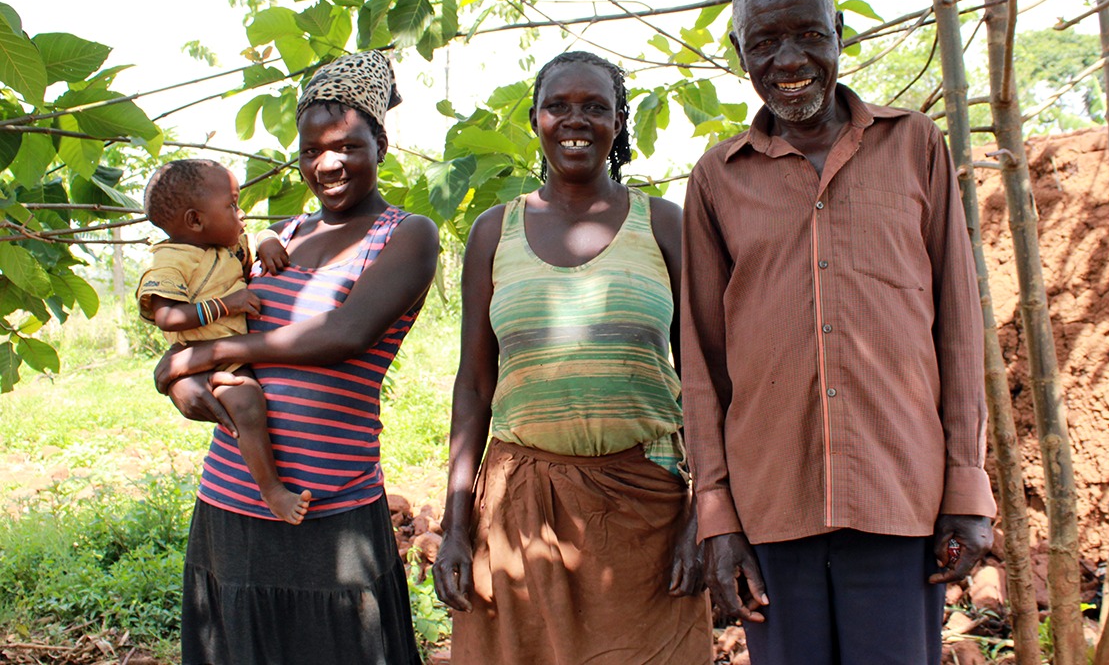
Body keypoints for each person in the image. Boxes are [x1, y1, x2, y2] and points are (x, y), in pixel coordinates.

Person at [681, 0, 997, 665]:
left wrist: (967, 485)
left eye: (807, 35)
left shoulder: (915, 145)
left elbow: (957, 329)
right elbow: (702, 364)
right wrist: (716, 514)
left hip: (899, 495)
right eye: (764, 42)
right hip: (772, 505)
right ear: (739, 55)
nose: (788, 61)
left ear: (839, 36)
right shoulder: (716, 179)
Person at [153, 50, 439, 665]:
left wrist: (216, 352)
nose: (326, 164)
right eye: (310, 150)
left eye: (346, 146)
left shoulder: (406, 234)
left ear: (380, 146)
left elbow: (347, 333)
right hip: (232, 494)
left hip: (330, 503)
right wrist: (175, 379)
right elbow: (207, 318)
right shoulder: (280, 236)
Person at [432, 51, 712, 664]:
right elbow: (475, 386)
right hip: (521, 512)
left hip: (646, 515)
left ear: (619, 122)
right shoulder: (493, 231)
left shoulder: (663, 224)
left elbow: (704, 381)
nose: (575, 120)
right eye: (558, 106)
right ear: (535, 118)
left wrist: (704, 518)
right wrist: (455, 525)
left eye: (594, 107)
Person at [137, 158, 310, 524]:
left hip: (220, 353)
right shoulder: (170, 261)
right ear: (196, 221)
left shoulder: (226, 248)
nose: (241, 213)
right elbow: (167, 316)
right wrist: (225, 305)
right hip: (210, 358)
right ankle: (272, 490)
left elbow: (258, 238)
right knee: (247, 405)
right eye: (231, 206)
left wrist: (267, 243)